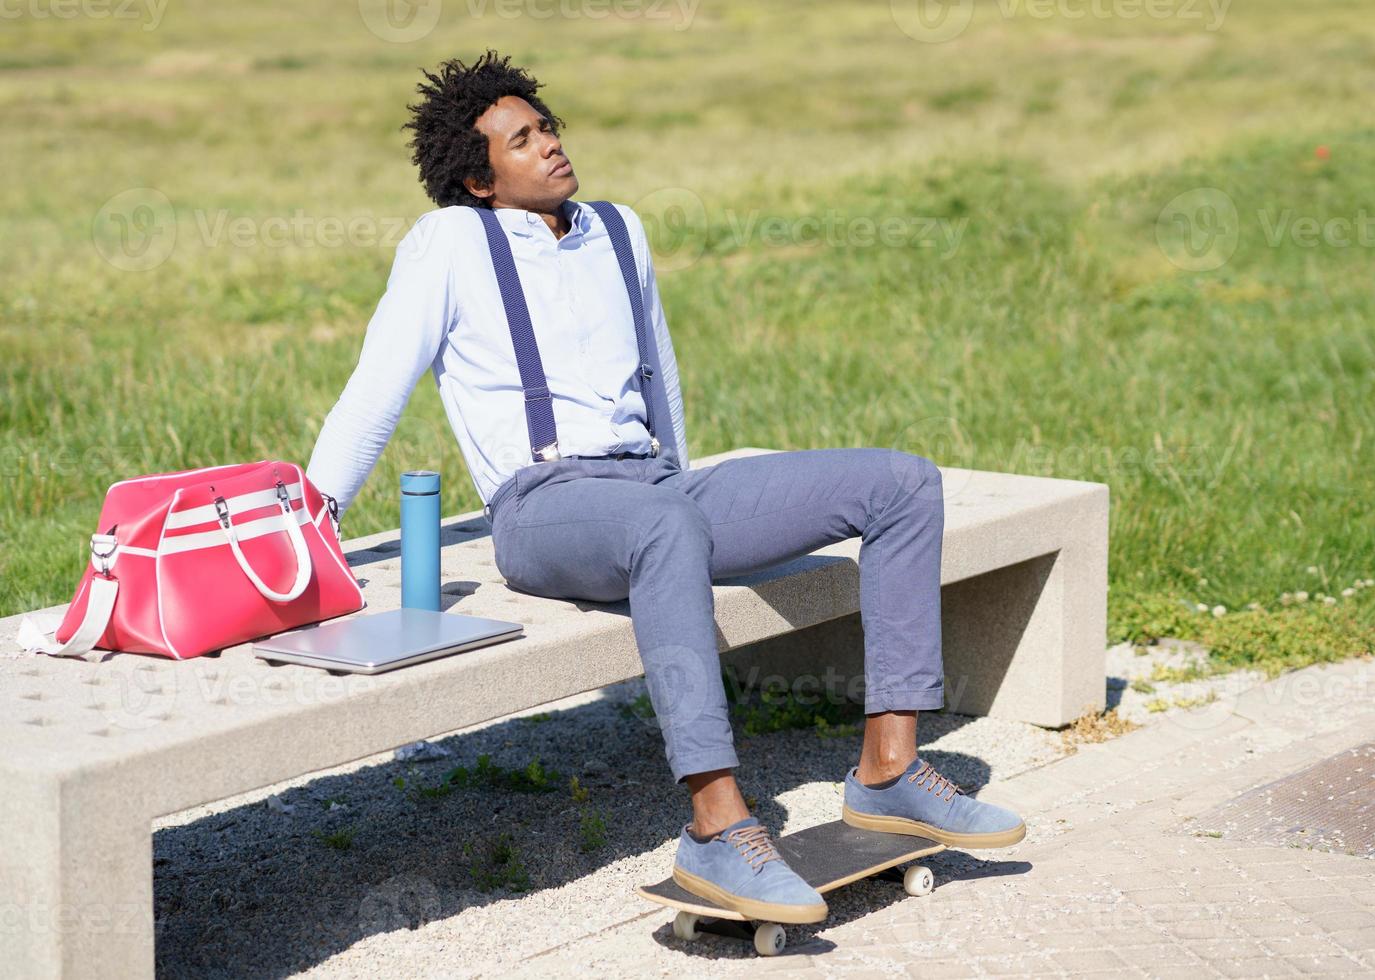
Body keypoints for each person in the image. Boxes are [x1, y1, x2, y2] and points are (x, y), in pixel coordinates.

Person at [306, 49, 1025, 924]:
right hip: (544, 509)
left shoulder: (619, 227)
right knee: (661, 526)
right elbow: (379, 382)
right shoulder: (450, 241)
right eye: (522, 141)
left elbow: (662, 378)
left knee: (901, 484)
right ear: (480, 180)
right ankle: (718, 825)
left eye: (548, 128)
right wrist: (311, 517)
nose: (550, 147)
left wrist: (680, 487)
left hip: (653, 491)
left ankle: (889, 771)